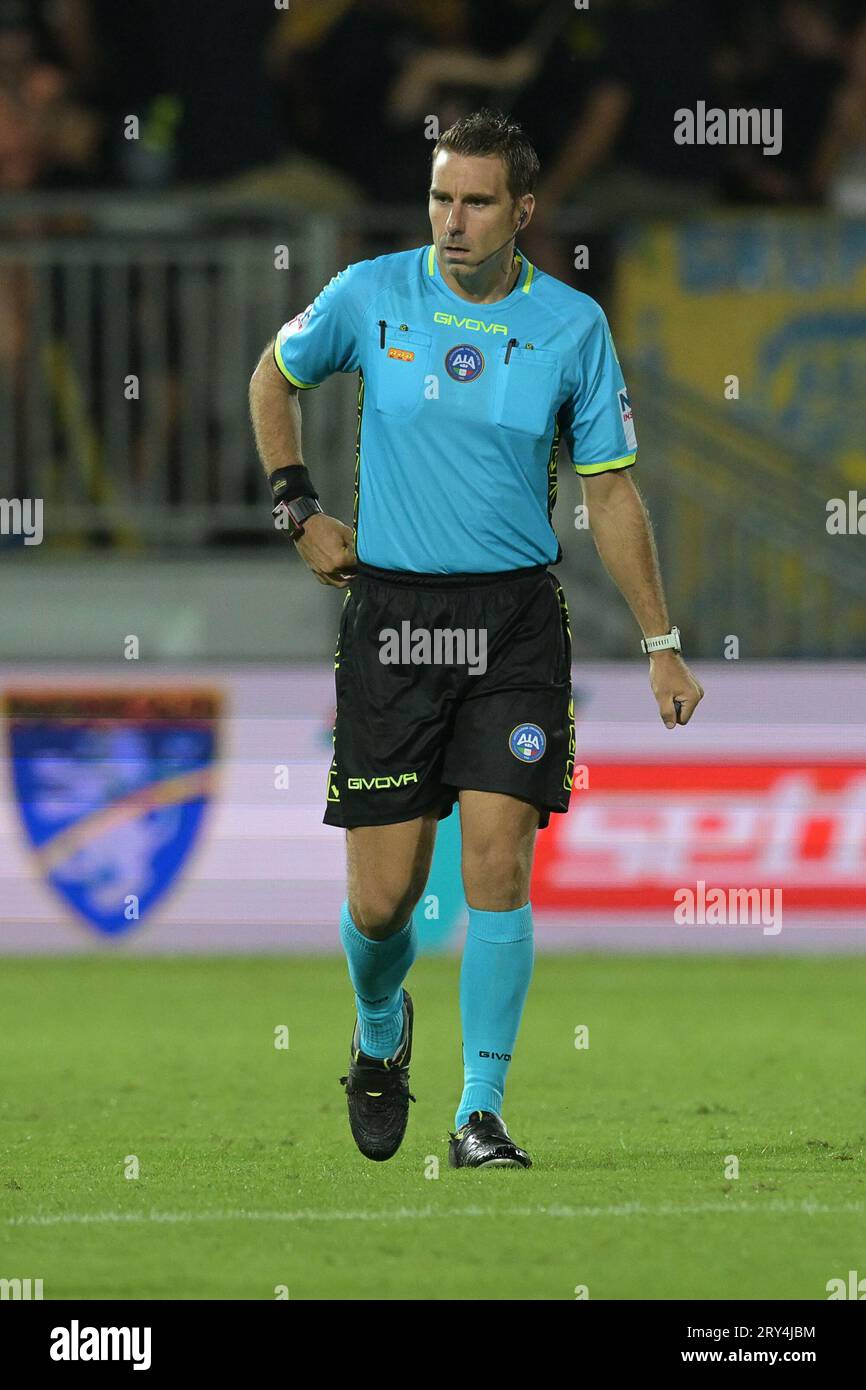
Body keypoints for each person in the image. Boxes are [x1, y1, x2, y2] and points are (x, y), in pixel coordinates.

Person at [248, 109, 703, 1169]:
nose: (452, 220)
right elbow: (274, 377)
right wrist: (296, 507)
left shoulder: (571, 327)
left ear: (523, 212)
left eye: (477, 201)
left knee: (499, 866)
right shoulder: (369, 295)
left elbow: (612, 491)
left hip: (512, 627)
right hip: (394, 623)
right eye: (441, 198)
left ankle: (479, 1112)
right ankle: (377, 1030)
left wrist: (660, 642)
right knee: (383, 898)